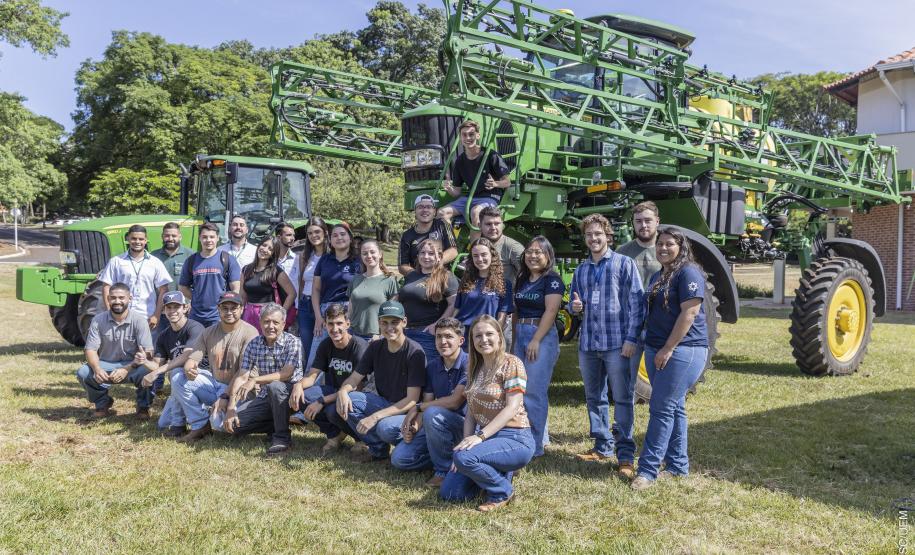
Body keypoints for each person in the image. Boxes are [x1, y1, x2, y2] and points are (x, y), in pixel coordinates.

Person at [631, 228, 709, 491]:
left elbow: (691, 312)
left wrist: (668, 347)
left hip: (683, 350)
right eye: (660, 244)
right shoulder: (659, 274)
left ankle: (647, 470)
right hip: (656, 348)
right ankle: (677, 466)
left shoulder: (688, 272)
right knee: (674, 407)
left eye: (669, 244)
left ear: (681, 246)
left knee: (661, 408)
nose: (663, 248)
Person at [568, 214, 645, 479]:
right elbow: (574, 305)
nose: (593, 239)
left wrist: (631, 339)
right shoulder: (581, 270)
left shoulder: (625, 264)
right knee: (594, 397)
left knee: (622, 398)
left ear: (608, 236)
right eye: (589, 235)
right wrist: (575, 308)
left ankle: (624, 455)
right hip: (589, 343)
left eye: (598, 234)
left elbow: (637, 304)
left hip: (617, 344)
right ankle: (602, 446)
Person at [439, 315, 534, 512]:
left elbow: (512, 407)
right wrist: (464, 447)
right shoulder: (474, 368)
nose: (484, 340)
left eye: (489, 334)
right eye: (478, 336)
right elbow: (472, 413)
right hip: (488, 439)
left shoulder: (512, 363)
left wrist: (479, 437)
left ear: (499, 336)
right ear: (472, 341)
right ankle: (497, 472)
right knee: (450, 493)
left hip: (515, 437)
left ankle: (502, 491)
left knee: (465, 459)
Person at [332, 301, 426, 462]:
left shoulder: (414, 352)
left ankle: (409, 441)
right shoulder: (375, 347)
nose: (389, 327)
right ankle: (379, 450)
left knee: (385, 427)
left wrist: (374, 417)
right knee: (350, 400)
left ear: (404, 322)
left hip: (407, 411)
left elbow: (412, 400)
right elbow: (355, 378)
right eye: (384, 322)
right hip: (384, 403)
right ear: (379, 323)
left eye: (394, 322)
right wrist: (342, 391)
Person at [173, 291, 259, 443]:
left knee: (220, 426)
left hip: (241, 390)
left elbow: (243, 373)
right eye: (224, 308)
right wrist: (189, 368)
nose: (229, 312)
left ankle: (212, 416)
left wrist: (226, 396)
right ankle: (200, 425)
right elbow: (193, 358)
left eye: (234, 308)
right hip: (215, 384)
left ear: (242, 309)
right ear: (218, 309)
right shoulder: (209, 332)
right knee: (177, 376)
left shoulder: (250, 332)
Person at [392, 318, 468, 487]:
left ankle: (443, 470)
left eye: (448, 336)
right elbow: (428, 400)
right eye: (438, 336)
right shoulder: (433, 366)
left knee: (433, 413)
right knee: (399, 459)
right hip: (436, 426)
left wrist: (417, 407)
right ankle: (444, 455)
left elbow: (455, 402)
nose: (443, 341)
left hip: (463, 428)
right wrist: (414, 426)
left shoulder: (469, 363)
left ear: (461, 340)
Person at [222, 303, 303, 455]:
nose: (270, 326)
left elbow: (286, 374)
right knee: (233, 425)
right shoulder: (254, 344)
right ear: (260, 323)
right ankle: (273, 425)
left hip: (291, 395)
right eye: (266, 321)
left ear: (284, 324)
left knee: (275, 387)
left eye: (275, 322)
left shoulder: (293, 342)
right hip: (266, 396)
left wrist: (255, 380)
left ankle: (282, 438)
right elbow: (242, 376)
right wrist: (231, 407)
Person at [289, 304, 368, 454]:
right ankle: (335, 435)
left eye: (339, 323)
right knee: (302, 397)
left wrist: (321, 401)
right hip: (335, 392)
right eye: (330, 324)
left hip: (358, 397)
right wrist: (298, 385)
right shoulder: (326, 345)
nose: (335, 328)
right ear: (324, 325)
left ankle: (361, 439)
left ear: (347, 324)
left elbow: (358, 389)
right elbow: (312, 376)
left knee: (333, 410)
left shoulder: (360, 347)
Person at [512, 235, 564, 457]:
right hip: (521, 332)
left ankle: (535, 445)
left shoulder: (552, 279)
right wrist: (515, 339)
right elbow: (515, 311)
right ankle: (538, 435)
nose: (533, 256)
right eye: (530, 252)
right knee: (520, 388)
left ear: (548, 256)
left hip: (539, 334)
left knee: (534, 391)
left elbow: (551, 311)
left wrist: (535, 339)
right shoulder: (522, 279)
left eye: (538, 252)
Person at [75, 283, 155, 418]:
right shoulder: (98, 320)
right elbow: (90, 349)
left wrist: (127, 369)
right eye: (113, 298)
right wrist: (97, 369)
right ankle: (102, 403)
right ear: (108, 298)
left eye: (121, 298)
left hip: (133, 365)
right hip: (106, 364)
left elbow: (147, 353)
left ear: (130, 298)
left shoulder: (139, 321)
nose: (117, 301)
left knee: (149, 370)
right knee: (83, 372)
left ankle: (143, 406)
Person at [136, 291, 205, 437]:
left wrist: (156, 372)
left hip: (201, 377)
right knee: (163, 424)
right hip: (178, 384)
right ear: (164, 310)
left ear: (185, 308)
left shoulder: (195, 327)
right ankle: (189, 414)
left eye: (176, 307)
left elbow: (187, 355)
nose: (172, 311)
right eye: (169, 307)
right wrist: (145, 362)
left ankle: (186, 426)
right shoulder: (163, 336)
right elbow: (157, 365)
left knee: (176, 372)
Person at [438, 119, 511, 228]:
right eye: (464, 135)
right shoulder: (460, 161)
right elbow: (457, 192)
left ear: (478, 135)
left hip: (490, 197)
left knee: (475, 211)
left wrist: (495, 184)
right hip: (470, 198)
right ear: (461, 138)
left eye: (471, 134)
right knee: (441, 213)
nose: (468, 138)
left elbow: (507, 182)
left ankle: (476, 245)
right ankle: (450, 243)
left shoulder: (490, 155)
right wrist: (449, 188)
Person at [98, 224, 171, 330]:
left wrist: (156, 315)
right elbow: (106, 287)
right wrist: (110, 313)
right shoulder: (116, 261)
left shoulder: (155, 262)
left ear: (146, 240)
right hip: (121, 317)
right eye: (134, 238)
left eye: (141, 239)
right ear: (128, 239)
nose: (137, 242)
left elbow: (164, 289)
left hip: (147, 318)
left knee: (146, 347)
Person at [399, 238, 459, 363]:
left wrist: (437, 324)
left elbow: (454, 304)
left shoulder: (446, 276)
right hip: (404, 332)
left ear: (439, 256)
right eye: (423, 253)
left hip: (427, 334)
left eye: (431, 253)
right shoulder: (411, 276)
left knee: (425, 373)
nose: (426, 256)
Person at [309, 222, 360, 364]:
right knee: (316, 354)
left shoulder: (358, 261)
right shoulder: (325, 260)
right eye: (335, 235)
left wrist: (350, 314)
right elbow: (316, 289)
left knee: (347, 356)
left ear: (350, 238)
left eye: (343, 234)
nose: (339, 238)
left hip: (349, 310)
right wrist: (319, 317)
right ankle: (311, 385)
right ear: (330, 240)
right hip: (326, 311)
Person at [179, 222, 241, 327]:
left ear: (217, 238)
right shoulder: (191, 260)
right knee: (196, 343)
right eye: (204, 237)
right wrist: (196, 297)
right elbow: (182, 287)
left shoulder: (227, 259)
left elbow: (235, 288)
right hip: (196, 316)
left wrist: (227, 307)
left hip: (219, 316)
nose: (208, 240)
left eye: (212, 237)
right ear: (199, 238)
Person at [454, 238, 512, 347]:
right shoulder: (466, 280)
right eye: (475, 256)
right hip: (463, 337)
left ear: (492, 256)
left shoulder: (504, 283)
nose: (480, 259)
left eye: (484, 254)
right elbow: (457, 310)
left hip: (485, 337)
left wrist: (496, 336)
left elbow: (502, 316)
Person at [290, 216, 329, 368]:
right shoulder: (305, 256)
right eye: (310, 233)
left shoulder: (331, 255)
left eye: (317, 231)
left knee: (322, 347)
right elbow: (301, 282)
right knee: (307, 347)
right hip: (306, 305)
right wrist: (299, 306)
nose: (314, 236)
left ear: (325, 232)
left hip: (323, 304)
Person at [239, 236, 296, 332]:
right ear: (259, 246)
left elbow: (292, 293)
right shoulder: (246, 269)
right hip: (248, 314)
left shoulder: (275, 271)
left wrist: (281, 313)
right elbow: (242, 296)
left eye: (270, 249)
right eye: (264, 245)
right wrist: (239, 314)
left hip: (268, 315)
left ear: (273, 254)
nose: (265, 250)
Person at [346, 239, 399, 340]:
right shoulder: (355, 279)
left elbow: (392, 314)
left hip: (374, 337)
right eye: (364, 253)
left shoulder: (389, 281)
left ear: (380, 254)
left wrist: (381, 336)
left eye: (372, 252)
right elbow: (350, 309)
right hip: (353, 335)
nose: (369, 256)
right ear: (361, 257)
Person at [398, 194, 458, 276]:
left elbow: (453, 251)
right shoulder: (406, 235)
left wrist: (436, 262)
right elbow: (402, 266)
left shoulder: (442, 225)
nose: (425, 210)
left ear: (434, 211)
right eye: (420, 207)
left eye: (429, 207)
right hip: (417, 278)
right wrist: (418, 275)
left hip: (440, 275)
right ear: (415, 211)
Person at [617, 201, 662, 289]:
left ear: (657, 221)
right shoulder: (621, 253)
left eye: (648, 221)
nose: (643, 225)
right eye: (638, 221)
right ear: (633, 223)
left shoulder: (669, 251)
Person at [478, 206, 524, 286]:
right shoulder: (476, 246)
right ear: (479, 226)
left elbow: (528, 276)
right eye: (488, 224)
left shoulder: (512, 247)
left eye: (497, 224)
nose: (493, 228)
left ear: (502, 225)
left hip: (505, 296)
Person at [151, 222, 195, 293]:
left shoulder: (191, 255)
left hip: (184, 303)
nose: (170, 238)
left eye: (174, 236)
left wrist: (191, 302)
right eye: (167, 236)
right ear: (162, 237)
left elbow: (197, 281)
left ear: (180, 237)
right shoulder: (153, 256)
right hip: (160, 302)